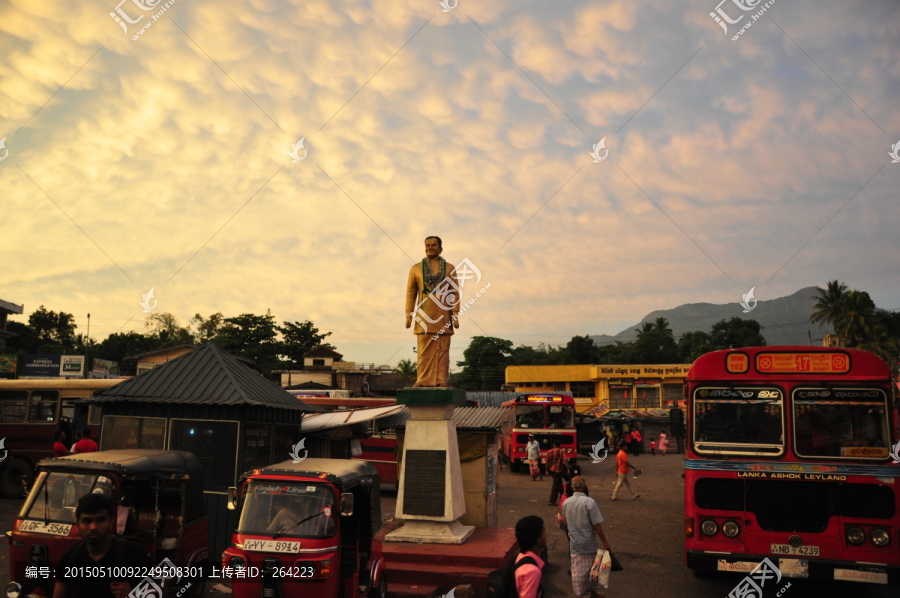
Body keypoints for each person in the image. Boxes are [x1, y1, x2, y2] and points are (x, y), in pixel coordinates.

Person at [53, 494, 154, 598]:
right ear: (78, 524)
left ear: (111, 522)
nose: (93, 527)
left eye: (100, 520)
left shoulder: (134, 553)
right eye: (87, 521)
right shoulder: (69, 558)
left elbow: (160, 588)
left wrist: (133, 595)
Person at [405, 236, 461, 387]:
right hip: (424, 315)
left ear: (440, 248)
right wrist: (408, 314)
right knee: (423, 350)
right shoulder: (416, 269)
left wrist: (455, 314)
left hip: (443, 315)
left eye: (433, 245)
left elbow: (454, 293)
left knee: (442, 349)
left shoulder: (449, 268)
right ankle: (422, 380)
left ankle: (441, 380)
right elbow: (411, 293)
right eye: (427, 245)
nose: (430, 247)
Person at [560, 476, 612, 598]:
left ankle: (582, 594)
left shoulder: (566, 503)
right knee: (592, 570)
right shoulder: (590, 502)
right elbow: (597, 525)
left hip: (575, 545)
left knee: (578, 573)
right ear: (584, 487)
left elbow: (564, 524)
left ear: (572, 487)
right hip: (589, 544)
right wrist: (605, 542)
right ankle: (593, 592)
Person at [513, 515, 546, 598]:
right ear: (538, 541)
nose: (546, 535)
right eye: (544, 532)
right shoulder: (533, 571)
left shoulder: (519, 557)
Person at [545, 439, 569, 506]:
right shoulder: (561, 451)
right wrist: (568, 469)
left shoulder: (549, 451)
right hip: (558, 470)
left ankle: (562, 498)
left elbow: (547, 462)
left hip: (552, 470)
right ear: (559, 445)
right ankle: (552, 500)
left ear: (553, 445)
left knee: (559, 484)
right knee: (556, 485)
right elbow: (565, 460)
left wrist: (547, 470)